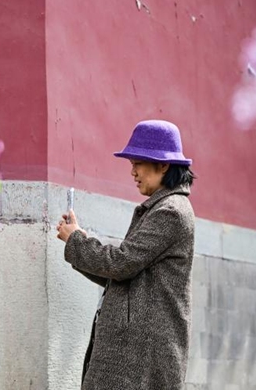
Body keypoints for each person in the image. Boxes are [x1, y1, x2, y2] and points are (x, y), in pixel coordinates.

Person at [55, 119, 197, 390]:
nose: (132, 172)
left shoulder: (171, 211)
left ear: (163, 165)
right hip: (136, 352)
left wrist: (75, 241)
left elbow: (121, 263)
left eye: (137, 164)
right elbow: (124, 273)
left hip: (141, 355)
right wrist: (80, 240)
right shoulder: (162, 207)